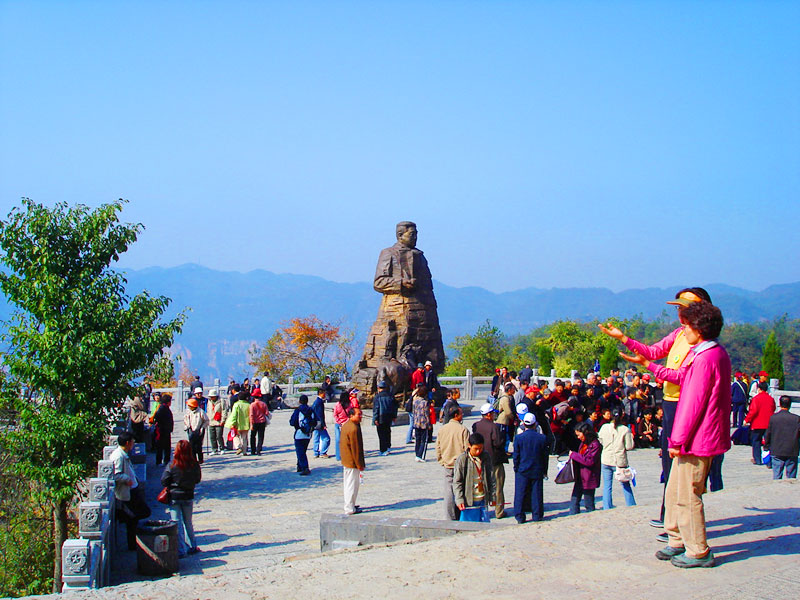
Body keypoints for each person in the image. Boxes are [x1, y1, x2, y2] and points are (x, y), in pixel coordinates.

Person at [621, 301, 731, 568]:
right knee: (674, 490)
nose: (684, 330)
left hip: (698, 437)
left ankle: (698, 550)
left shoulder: (706, 358)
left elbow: (693, 403)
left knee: (687, 494)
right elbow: (680, 376)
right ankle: (677, 538)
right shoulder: (707, 353)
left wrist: (677, 440)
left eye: (688, 325)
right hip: (695, 435)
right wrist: (649, 365)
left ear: (699, 329)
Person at [599, 286, 712, 530]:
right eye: (679, 309)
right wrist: (623, 339)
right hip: (669, 403)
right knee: (668, 463)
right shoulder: (680, 334)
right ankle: (668, 515)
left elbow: (681, 376)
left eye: (684, 309)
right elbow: (654, 351)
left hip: (685, 403)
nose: (680, 314)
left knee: (681, 463)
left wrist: (648, 366)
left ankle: (678, 521)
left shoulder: (702, 343)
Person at [161, 439, 202, 557]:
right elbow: (197, 479)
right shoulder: (194, 464)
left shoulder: (172, 464)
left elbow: (164, 480)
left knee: (176, 523)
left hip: (174, 496)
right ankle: (192, 546)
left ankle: (181, 549)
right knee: (188, 522)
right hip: (188, 495)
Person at [111, 432, 151, 550]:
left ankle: (133, 541)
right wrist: (127, 479)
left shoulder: (123, 454)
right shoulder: (118, 456)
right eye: (133, 442)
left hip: (132, 489)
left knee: (135, 517)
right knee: (135, 517)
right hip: (127, 492)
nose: (133, 444)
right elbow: (115, 475)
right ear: (128, 443)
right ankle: (132, 544)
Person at [512, 412, 549, 523]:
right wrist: (545, 470)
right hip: (537, 469)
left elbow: (516, 455)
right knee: (536, 494)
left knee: (520, 493)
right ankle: (537, 515)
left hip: (522, 469)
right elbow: (545, 457)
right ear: (535, 424)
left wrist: (516, 467)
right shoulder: (542, 438)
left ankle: (519, 516)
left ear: (524, 424)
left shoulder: (519, 438)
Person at [472, 403, 507, 518]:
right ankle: (499, 511)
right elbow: (497, 443)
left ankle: (483, 510)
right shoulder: (494, 427)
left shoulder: (476, 425)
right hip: (494, 460)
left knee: (482, 486)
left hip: (480, 460)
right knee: (498, 486)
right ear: (488, 414)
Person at [453, 432, 497, 522]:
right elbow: (457, 482)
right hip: (469, 501)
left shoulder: (486, 457)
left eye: (481, 448)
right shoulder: (462, 460)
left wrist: (493, 496)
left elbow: (491, 478)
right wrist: (459, 500)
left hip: (483, 499)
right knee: (468, 526)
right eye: (476, 449)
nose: (478, 451)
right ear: (469, 446)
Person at [436, 406, 470, 520]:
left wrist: (442, 461)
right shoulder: (463, 430)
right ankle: (461, 513)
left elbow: (438, 448)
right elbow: (467, 449)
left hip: (448, 464)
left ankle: (450, 516)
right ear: (456, 415)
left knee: (449, 491)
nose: (462, 416)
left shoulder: (442, 429)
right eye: (461, 414)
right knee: (460, 489)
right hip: (461, 465)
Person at [598, 408, 636, 509]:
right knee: (625, 483)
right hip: (619, 461)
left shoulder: (604, 427)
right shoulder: (625, 429)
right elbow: (629, 446)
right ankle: (631, 504)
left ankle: (607, 506)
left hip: (606, 459)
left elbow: (600, 440)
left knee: (607, 485)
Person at [568, 421, 602, 514]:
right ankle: (573, 516)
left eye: (579, 435)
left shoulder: (595, 445)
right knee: (574, 500)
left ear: (585, 433)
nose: (578, 437)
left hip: (589, 477)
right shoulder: (583, 443)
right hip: (580, 476)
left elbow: (589, 461)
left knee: (589, 502)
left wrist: (574, 455)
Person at [764, 396, 800, 479]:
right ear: (790, 405)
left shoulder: (773, 418)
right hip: (792, 450)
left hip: (776, 449)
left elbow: (768, 434)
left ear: (780, 404)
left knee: (777, 476)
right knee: (791, 477)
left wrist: (766, 446)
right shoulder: (796, 418)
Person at [340, 407, 366, 514]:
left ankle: (350, 504)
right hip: (352, 462)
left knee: (349, 484)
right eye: (358, 414)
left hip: (347, 460)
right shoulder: (353, 429)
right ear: (351, 415)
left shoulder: (347, 425)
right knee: (352, 485)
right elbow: (356, 449)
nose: (360, 417)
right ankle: (349, 507)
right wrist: (360, 464)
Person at [744, 381, 776, 465]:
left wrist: (747, 420)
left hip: (757, 423)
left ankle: (757, 459)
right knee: (768, 442)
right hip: (768, 423)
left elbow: (753, 411)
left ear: (759, 389)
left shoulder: (756, 399)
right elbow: (773, 409)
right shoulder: (771, 399)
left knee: (756, 441)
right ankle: (768, 460)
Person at [290, 394, 316, 475]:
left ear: (299, 401)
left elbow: (292, 422)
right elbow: (314, 422)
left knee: (300, 451)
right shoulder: (311, 410)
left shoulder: (298, 411)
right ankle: (300, 466)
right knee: (303, 450)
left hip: (299, 433)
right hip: (308, 434)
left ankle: (305, 467)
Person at [372, 381, 397, 455]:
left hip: (381, 417)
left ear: (378, 388)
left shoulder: (377, 397)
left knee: (381, 434)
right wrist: (394, 416)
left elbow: (376, 408)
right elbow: (395, 407)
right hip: (389, 416)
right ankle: (388, 447)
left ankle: (383, 450)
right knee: (387, 432)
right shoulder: (390, 396)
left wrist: (375, 419)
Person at [183, 397, 209, 464]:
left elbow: (206, 421)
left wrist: (203, 427)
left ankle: (200, 459)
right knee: (191, 446)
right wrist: (187, 426)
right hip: (190, 430)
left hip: (199, 430)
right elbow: (185, 420)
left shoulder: (201, 411)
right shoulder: (188, 412)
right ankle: (193, 460)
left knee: (198, 446)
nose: (189, 407)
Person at [226, 391, 251, 456]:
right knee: (244, 438)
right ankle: (244, 451)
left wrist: (232, 423)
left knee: (235, 436)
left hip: (238, 424)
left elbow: (234, 415)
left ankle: (238, 446)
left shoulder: (236, 404)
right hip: (246, 423)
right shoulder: (248, 405)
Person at [153, 393, 174, 466]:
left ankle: (165, 460)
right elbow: (157, 418)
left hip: (165, 430)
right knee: (162, 446)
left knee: (165, 446)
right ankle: (160, 461)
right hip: (162, 430)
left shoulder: (164, 407)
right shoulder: (162, 408)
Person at [412, 384, 431, 462]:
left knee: (417, 440)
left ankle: (417, 454)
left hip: (416, 422)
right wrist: (429, 424)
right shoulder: (425, 403)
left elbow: (414, 412)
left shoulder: (415, 401)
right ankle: (420, 455)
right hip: (423, 423)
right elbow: (426, 414)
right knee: (423, 440)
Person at [207, 388, 228, 455]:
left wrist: (223, 420)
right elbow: (208, 410)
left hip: (219, 421)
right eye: (210, 397)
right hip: (211, 421)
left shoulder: (221, 401)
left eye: (212, 397)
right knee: (212, 436)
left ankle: (222, 448)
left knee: (219, 436)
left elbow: (224, 411)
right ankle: (214, 449)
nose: (211, 398)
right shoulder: (209, 402)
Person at [248, 390, 270, 456]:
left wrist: (251, 424)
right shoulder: (263, 404)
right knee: (261, 436)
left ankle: (253, 450)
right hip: (262, 421)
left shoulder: (252, 405)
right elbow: (267, 413)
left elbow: (251, 415)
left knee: (253, 436)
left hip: (254, 422)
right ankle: (259, 450)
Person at [311, 388, 331, 458]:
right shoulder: (319, 402)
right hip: (319, 423)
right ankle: (323, 452)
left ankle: (316, 452)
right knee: (326, 438)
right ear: (321, 394)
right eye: (324, 393)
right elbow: (320, 414)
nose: (325, 395)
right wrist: (323, 424)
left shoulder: (315, 402)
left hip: (314, 423)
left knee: (316, 438)